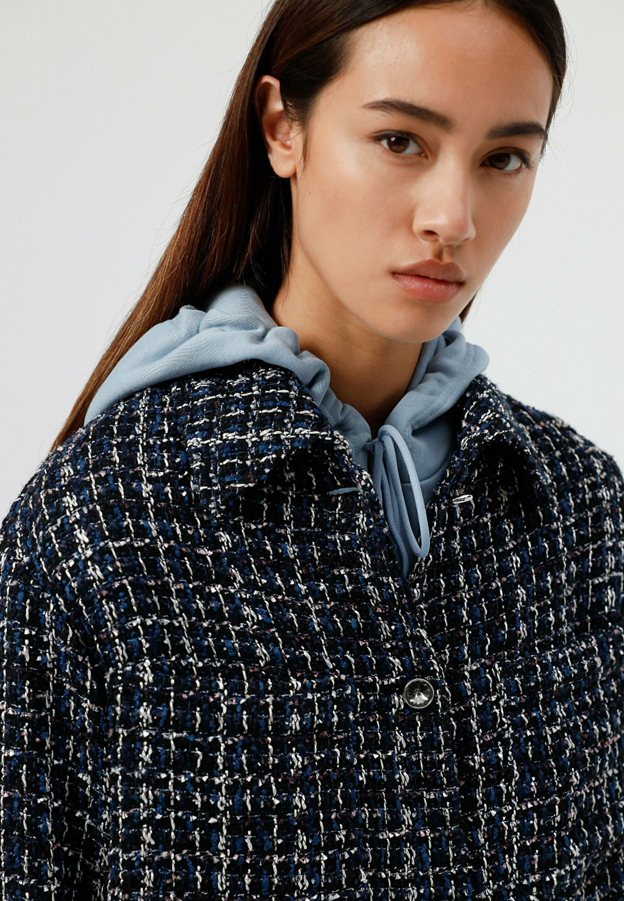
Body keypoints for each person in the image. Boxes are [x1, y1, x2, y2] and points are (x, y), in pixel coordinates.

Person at [1, 0, 622, 897]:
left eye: (504, 158)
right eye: (401, 141)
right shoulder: (97, 520)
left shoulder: (581, 505)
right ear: (281, 127)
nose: (453, 217)